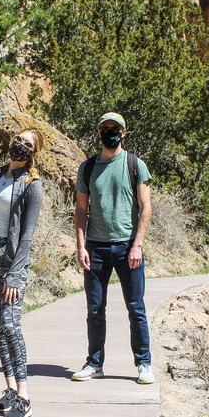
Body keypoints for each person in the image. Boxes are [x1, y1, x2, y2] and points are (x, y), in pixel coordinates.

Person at [73, 112, 155, 384]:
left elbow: (146, 209)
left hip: (127, 247)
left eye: (115, 128)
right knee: (95, 309)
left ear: (124, 132)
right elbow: (81, 209)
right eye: (105, 128)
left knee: (136, 308)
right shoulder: (87, 168)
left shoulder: (135, 165)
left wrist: (137, 245)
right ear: (99, 133)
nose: (110, 132)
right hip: (95, 249)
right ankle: (94, 363)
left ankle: (144, 364)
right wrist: (81, 246)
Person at [0, 128, 44, 417]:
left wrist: (15, 276)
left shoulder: (32, 186)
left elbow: (27, 236)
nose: (20, 145)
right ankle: (8, 389)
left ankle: (24, 396)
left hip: (12, 264)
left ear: (34, 154)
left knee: (12, 325)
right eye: (18, 140)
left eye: (27, 144)